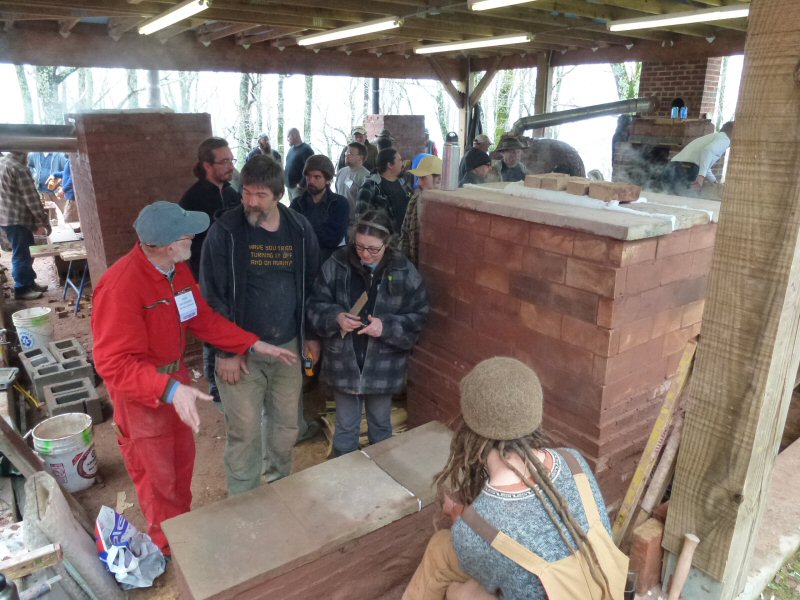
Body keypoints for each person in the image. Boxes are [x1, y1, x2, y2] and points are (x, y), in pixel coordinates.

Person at [91, 201, 295, 555]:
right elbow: (113, 364)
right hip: (144, 398)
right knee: (158, 481)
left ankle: (182, 533)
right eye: (188, 234)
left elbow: (202, 319)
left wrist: (252, 343)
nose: (194, 238)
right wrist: (168, 389)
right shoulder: (121, 287)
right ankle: (170, 551)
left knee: (181, 467)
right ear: (169, 244)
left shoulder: (175, 270)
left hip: (176, 385)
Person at [403, 357, 628, 600]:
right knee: (454, 553)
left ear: (469, 431)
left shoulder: (472, 530)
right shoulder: (574, 462)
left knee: (458, 590)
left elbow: (486, 550)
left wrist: (460, 517)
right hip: (598, 589)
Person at [200, 155, 320, 493]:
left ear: (278, 195)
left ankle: (277, 487)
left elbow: (311, 285)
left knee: (284, 428)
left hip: (287, 348)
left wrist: (310, 335)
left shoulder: (298, 229)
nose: (251, 202)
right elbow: (213, 298)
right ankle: (244, 500)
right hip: (241, 352)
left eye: (260, 195)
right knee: (245, 430)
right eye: (246, 193)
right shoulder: (225, 233)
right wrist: (226, 351)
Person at [307, 210, 429, 456]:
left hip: (383, 364)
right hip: (343, 360)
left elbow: (419, 314)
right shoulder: (337, 263)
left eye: (373, 249)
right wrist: (336, 317)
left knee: (381, 425)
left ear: (388, 243)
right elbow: (315, 304)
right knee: (346, 428)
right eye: (359, 246)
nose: (364, 254)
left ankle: (382, 480)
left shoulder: (403, 269)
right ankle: (344, 482)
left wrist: (385, 327)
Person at [179, 137, 242, 408]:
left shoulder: (232, 194)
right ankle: (215, 385)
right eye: (224, 161)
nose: (230, 166)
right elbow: (183, 244)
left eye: (231, 160)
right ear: (207, 164)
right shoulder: (192, 199)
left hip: (234, 274)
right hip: (203, 277)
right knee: (210, 328)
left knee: (227, 321)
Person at [0, 152, 50, 300]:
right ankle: (22, 288)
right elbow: (32, 199)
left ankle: (29, 283)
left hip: (6, 217)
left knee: (25, 252)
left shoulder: (3, 162)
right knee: (22, 254)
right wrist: (43, 221)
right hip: (17, 219)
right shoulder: (18, 168)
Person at [289, 155, 349, 264]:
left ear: (328, 180)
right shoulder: (297, 203)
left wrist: (304, 232)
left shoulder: (339, 204)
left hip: (331, 262)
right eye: (308, 176)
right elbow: (290, 235)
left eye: (317, 177)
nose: (311, 181)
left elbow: (333, 239)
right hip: (303, 261)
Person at [661, 121, 734, 195]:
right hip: (685, 170)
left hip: (672, 168)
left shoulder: (714, 137)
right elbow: (707, 151)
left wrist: (714, 182)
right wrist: (701, 177)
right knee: (685, 201)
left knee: (668, 198)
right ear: (733, 133)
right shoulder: (725, 140)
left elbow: (705, 164)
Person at [355, 147, 414, 234]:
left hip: (403, 240)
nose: (403, 164)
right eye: (400, 160)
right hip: (383, 241)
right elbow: (361, 219)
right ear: (390, 165)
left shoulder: (403, 183)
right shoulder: (370, 186)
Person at [400, 155, 442, 267]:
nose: (418, 183)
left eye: (423, 178)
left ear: (439, 180)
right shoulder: (415, 200)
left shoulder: (450, 208)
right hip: (414, 271)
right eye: (418, 178)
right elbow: (405, 236)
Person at [335, 142, 370, 225]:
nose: (346, 155)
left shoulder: (366, 177)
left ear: (360, 157)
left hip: (355, 224)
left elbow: (367, 204)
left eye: (350, 153)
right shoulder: (341, 172)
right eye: (346, 153)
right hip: (339, 220)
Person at [284, 128, 314, 201]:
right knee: (292, 209)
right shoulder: (291, 150)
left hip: (298, 188)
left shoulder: (306, 149)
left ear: (294, 135)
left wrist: (301, 184)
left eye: (288, 136)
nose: (287, 139)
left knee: (298, 210)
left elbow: (310, 167)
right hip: (289, 186)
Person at [54, 158, 79, 223]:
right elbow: (66, 173)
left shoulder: (73, 159)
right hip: (70, 196)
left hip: (73, 197)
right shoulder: (69, 159)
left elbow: (73, 177)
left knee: (68, 220)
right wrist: (55, 174)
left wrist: (63, 190)